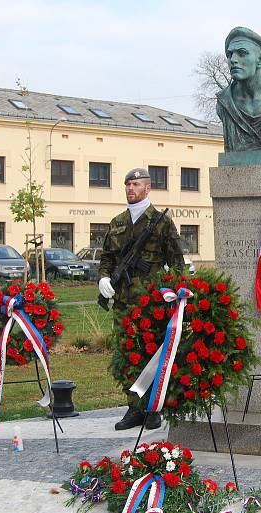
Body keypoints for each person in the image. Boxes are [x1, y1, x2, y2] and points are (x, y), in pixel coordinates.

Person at [98, 168, 185, 431]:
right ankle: (134, 407)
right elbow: (107, 259)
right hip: (124, 303)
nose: (130, 188)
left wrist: (172, 293)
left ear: (147, 188)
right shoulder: (117, 222)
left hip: (151, 305)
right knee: (126, 353)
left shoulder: (160, 222)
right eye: (127, 184)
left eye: (135, 184)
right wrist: (103, 279)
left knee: (151, 354)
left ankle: (154, 409)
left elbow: (177, 263)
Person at [216, 26, 261, 152]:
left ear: (260, 60)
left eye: (242, 53)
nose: (233, 60)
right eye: (229, 54)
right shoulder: (224, 102)